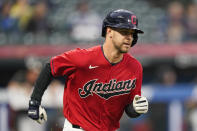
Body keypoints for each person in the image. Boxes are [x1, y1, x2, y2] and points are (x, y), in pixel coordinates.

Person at [27, 9, 149, 131]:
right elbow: (51, 67)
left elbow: (129, 109)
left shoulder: (135, 67)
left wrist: (136, 109)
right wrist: (34, 102)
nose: (129, 37)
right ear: (109, 31)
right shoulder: (83, 58)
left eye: (132, 33)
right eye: (124, 32)